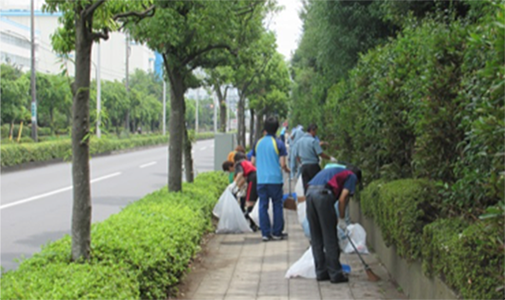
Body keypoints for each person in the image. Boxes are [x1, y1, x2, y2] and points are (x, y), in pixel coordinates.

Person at [305, 166, 361, 284]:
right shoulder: (351, 176)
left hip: (309, 194)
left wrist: (334, 217)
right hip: (323, 195)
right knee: (329, 237)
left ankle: (321, 272)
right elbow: (342, 198)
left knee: (316, 236)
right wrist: (342, 219)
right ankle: (335, 274)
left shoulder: (336, 171)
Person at [251, 116, 290, 241]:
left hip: (261, 179)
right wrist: (287, 170)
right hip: (275, 180)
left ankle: (265, 233)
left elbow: (252, 162)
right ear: (277, 128)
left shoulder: (257, 143)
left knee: (263, 205)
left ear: (265, 128)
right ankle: (277, 232)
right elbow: (283, 164)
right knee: (277, 205)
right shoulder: (279, 143)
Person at [296, 124, 331, 194]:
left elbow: (297, 156)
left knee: (306, 187)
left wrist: (302, 163)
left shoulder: (299, 142)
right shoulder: (313, 141)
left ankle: (308, 202)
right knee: (318, 185)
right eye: (315, 132)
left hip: (304, 167)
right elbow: (320, 153)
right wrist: (330, 158)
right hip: (313, 167)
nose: (316, 134)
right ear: (312, 130)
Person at [233, 151, 258, 231]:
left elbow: (240, 173)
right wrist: (237, 187)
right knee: (255, 201)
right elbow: (244, 178)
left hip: (253, 179)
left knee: (249, 202)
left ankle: (253, 224)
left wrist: (234, 183)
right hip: (258, 177)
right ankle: (257, 222)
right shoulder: (247, 162)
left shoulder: (239, 164)